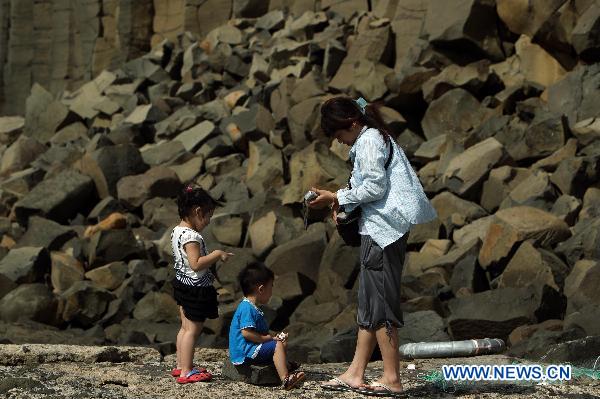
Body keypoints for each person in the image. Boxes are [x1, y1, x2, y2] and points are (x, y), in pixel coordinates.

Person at [309, 96, 437, 396]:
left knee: (381, 305)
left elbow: (375, 187)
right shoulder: (377, 137)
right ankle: (356, 372)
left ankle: (392, 377)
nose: (338, 142)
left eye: (338, 134)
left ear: (352, 124)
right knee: (369, 304)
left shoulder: (368, 141)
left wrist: (335, 197)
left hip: (383, 231)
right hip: (383, 230)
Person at [170, 185, 234, 384]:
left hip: (182, 284)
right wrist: (216, 254)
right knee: (193, 330)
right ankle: (187, 371)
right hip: (195, 289)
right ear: (197, 212)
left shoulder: (177, 230)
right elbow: (196, 264)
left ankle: (181, 365)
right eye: (207, 216)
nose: (207, 222)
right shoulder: (192, 237)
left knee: (184, 327)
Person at [228, 262, 305, 390]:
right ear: (261, 289)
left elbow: (257, 331)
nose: (272, 292)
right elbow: (246, 333)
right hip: (245, 351)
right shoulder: (247, 308)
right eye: (271, 287)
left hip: (251, 347)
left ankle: (285, 365)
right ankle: (286, 379)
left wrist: (274, 337)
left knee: (281, 343)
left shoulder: (252, 307)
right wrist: (268, 339)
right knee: (277, 345)